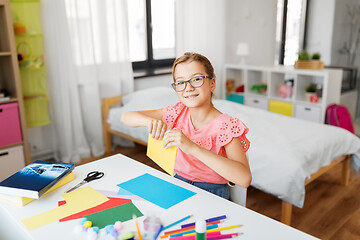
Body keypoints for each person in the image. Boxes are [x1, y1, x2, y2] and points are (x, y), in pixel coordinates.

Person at [121, 52, 251, 200]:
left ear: (212, 83)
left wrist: (193, 148)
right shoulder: (176, 112)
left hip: (212, 193)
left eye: (196, 79)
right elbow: (126, 116)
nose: (188, 88)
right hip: (177, 184)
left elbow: (244, 179)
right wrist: (149, 121)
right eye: (180, 82)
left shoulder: (227, 126)